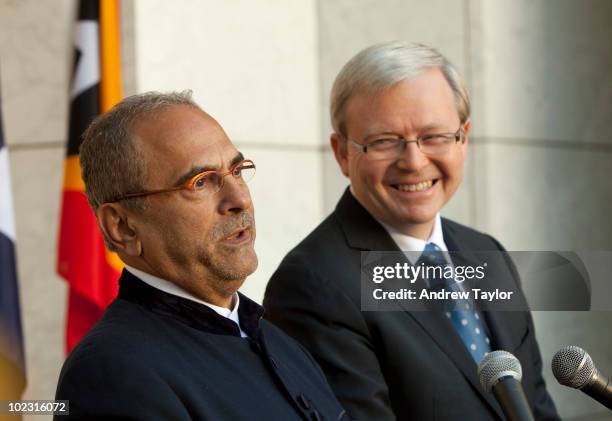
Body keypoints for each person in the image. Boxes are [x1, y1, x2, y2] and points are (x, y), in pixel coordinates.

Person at [263, 42, 560, 420]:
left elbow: (536, 408)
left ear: (463, 138)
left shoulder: (486, 253)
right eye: (384, 141)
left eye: (434, 136)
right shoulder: (313, 284)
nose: (414, 162)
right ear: (342, 153)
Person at [54, 91, 349, 421]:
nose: (239, 199)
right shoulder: (110, 374)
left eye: (237, 171)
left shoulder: (281, 344)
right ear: (122, 227)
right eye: (200, 183)